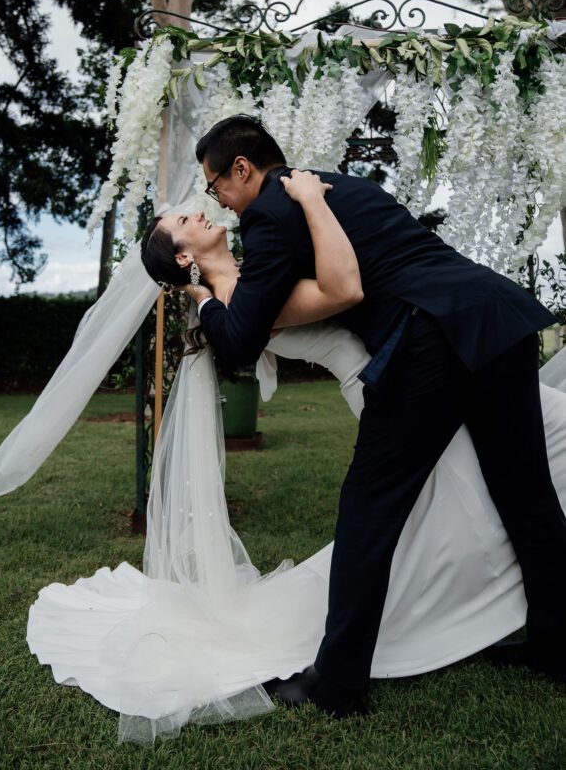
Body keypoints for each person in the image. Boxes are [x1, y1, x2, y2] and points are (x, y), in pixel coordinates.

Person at [26, 174, 566, 745]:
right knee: (471, 496)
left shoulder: (245, 281)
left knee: (513, 485)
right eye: (184, 221)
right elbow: (341, 290)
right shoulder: (246, 296)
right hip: (398, 379)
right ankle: (443, 626)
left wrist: (211, 292)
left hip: (433, 359)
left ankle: (533, 630)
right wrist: (307, 202)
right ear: (184, 255)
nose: (198, 211)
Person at [177, 114, 566, 720]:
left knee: (369, 508)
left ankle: (337, 683)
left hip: (430, 341)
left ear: (243, 169)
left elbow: (241, 340)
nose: (218, 200)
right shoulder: (337, 186)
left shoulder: (270, 216)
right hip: (496, 315)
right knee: (527, 494)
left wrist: (204, 301)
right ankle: (557, 643)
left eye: (215, 185)